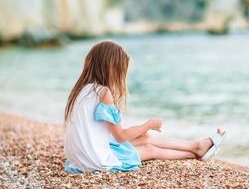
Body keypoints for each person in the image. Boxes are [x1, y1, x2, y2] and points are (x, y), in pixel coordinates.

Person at [63, 41, 225, 173]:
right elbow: (120, 136)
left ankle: (197, 147)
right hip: (95, 161)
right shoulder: (103, 92)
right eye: (120, 71)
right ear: (110, 68)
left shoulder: (82, 90)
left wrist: (141, 130)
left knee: (144, 138)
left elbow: (110, 133)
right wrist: (149, 124)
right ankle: (196, 151)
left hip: (79, 158)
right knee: (149, 149)